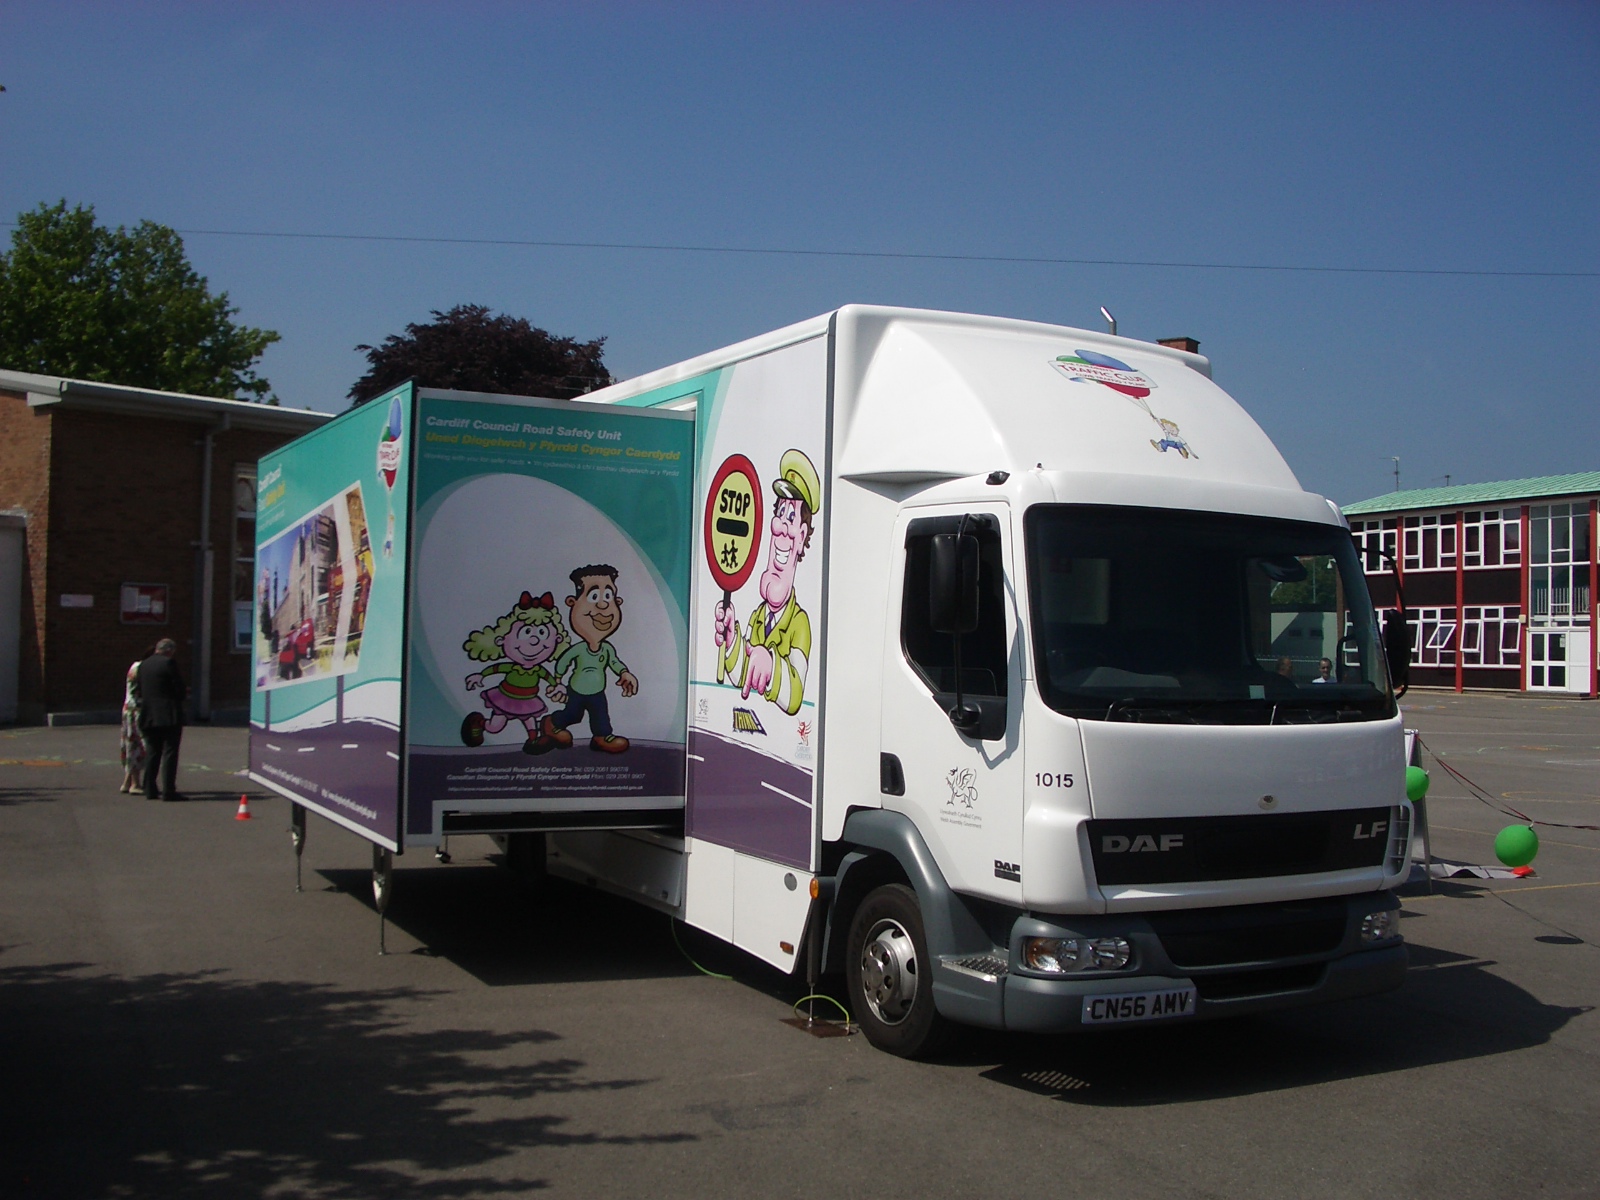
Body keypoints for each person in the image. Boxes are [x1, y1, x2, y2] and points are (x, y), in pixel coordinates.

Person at [537, 565, 639, 754]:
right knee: (572, 714)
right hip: (576, 690)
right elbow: (563, 661)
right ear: (572, 603)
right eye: (593, 597)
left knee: (600, 715)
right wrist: (557, 681)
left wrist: (625, 673)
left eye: (608, 597)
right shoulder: (579, 649)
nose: (602, 605)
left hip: (597, 691)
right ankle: (552, 723)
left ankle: (602, 736)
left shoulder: (606, 649)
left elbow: (614, 662)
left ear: (617, 601)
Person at [137, 638, 187, 801]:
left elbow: (140, 689)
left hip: (148, 714)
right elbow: (179, 689)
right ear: (169, 651)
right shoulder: (169, 664)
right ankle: (168, 790)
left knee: (152, 752)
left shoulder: (144, 665)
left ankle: (149, 788)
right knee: (170, 753)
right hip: (168, 714)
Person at [118, 646, 152, 793]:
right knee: (138, 746)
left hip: (128, 710)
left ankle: (127, 782)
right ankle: (135, 783)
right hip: (137, 711)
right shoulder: (143, 669)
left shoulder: (134, 666)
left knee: (130, 745)